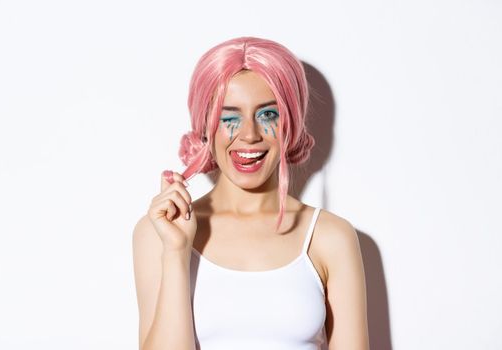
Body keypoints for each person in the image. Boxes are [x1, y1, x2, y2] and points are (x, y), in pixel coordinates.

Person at [132, 36, 369, 350]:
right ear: (206, 126)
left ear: (291, 124)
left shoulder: (330, 236)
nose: (249, 135)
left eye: (268, 115)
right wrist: (177, 252)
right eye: (228, 117)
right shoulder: (159, 233)